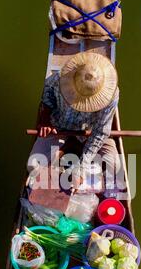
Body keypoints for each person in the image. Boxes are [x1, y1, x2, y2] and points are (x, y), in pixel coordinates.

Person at [27, 51, 122, 191]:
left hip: (88, 133)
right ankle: (66, 154)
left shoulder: (111, 95)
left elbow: (100, 132)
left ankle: (75, 162)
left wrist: (82, 167)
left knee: (115, 169)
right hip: (58, 128)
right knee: (33, 165)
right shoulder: (58, 79)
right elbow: (46, 100)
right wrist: (45, 120)